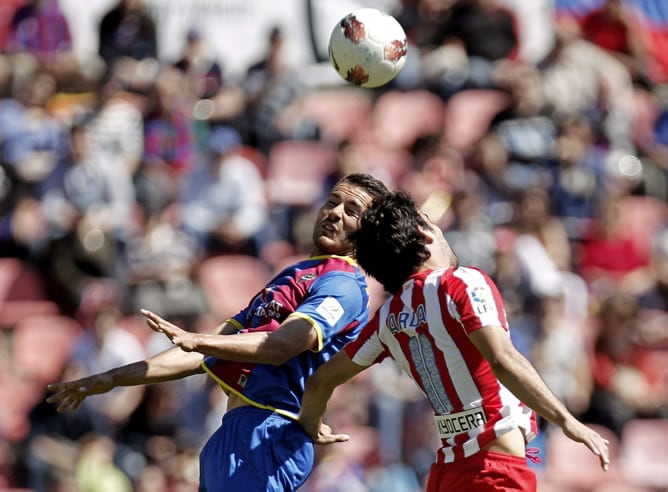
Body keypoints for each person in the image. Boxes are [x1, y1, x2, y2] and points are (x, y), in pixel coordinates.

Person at [46, 172, 389, 492]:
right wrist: (110, 379)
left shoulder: (343, 285)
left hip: (267, 435)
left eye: (351, 210)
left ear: (369, 231)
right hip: (235, 432)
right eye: (332, 202)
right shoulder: (296, 275)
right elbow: (203, 352)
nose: (334, 212)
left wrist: (197, 340)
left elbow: (283, 344)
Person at [298, 191, 610, 492]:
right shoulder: (459, 283)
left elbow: (318, 384)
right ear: (425, 235)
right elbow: (501, 359)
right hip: (495, 470)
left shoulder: (386, 318)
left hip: (447, 473)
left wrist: (311, 424)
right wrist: (567, 420)